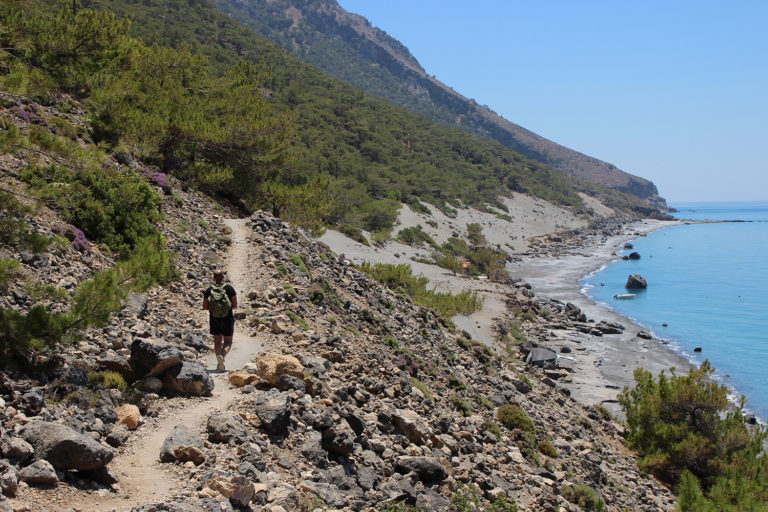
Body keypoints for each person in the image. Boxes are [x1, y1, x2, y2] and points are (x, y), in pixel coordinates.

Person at [202, 269, 237, 371]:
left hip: (214, 318)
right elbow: (234, 305)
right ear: (223, 277)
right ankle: (222, 357)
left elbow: (205, 307)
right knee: (228, 342)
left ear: (214, 278)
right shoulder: (229, 289)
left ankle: (219, 362)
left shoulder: (209, 290)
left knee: (217, 341)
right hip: (227, 318)